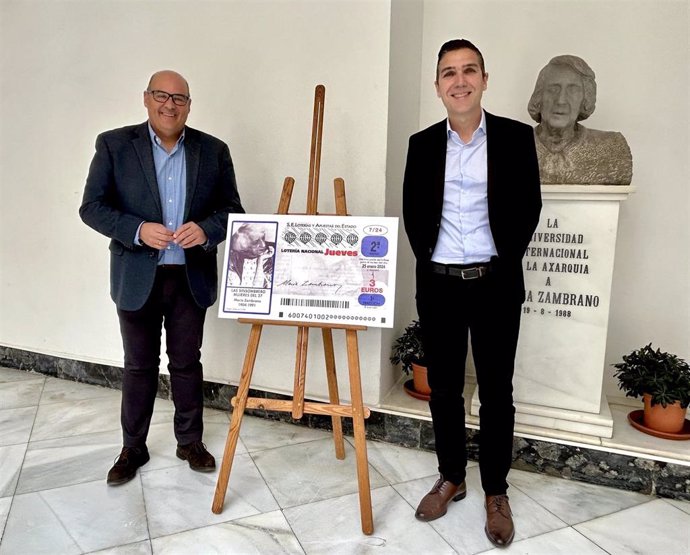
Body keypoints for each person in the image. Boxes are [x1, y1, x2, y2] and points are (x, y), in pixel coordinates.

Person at [402, 39, 541, 547]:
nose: (458, 81)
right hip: (438, 284)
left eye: (468, 71)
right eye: (448, 73)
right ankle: (451, 476)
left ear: (484, 79)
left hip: (495, 283)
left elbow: (529, 209)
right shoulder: (421, 144)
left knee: (496, 390)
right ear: (437, 86)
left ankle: (496, 492)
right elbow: (413, 214)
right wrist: (435, 262)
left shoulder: (515, 138)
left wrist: (498, 262)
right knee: (442, 389)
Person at [80, 70, 244, 485]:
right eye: (161, 95)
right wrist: (137, 230)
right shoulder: (115, 145)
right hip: (137, 275)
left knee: (187, 363)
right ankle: (132, 447)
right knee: (138, 365)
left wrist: (207, 229)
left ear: (189, 104)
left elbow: (233, 212)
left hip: (190, 276)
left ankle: (190, 441)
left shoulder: (213, 150)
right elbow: (92, 207)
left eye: (179, 98)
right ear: (146, 98)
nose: (169, 105)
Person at [527, 55, 632, 184]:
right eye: (553, 89)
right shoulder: (508, 147)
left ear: (585, 99)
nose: (561, 100)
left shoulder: (612, 149)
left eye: (572, 90)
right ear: (539, 96)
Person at [228, 223, 275, 288]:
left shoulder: (269, 257)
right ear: (243, 244)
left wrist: (260, 261)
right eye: (256, 242)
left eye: (263, 238)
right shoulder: (233, 260)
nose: (263, 245)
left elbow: (261, 291)